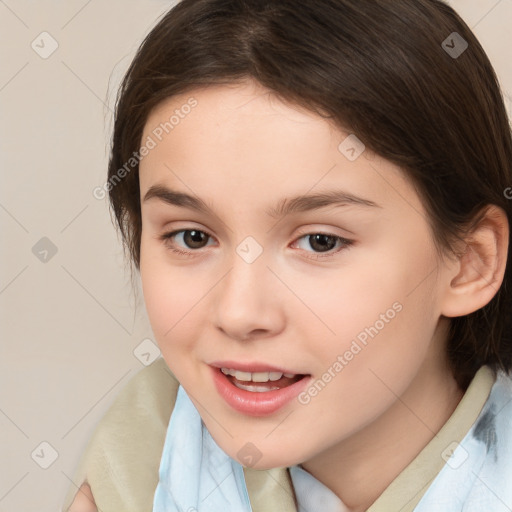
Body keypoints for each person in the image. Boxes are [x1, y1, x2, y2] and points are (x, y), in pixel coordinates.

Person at [63, 0, 512, 510]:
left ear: (470, 263)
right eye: (192, 237)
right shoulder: (144, 443)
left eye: (320, 241)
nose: (239, 313)